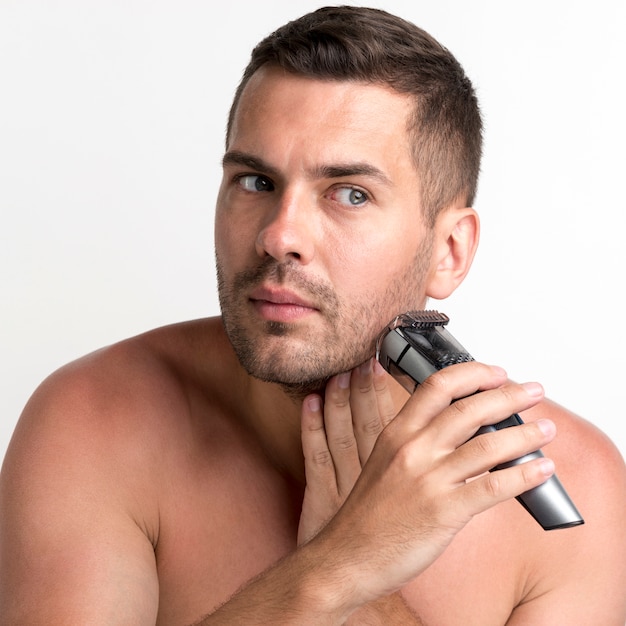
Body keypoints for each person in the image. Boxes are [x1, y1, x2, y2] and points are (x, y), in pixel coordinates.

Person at [1, 5, 625, 624]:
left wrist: (369, 588)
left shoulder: (567, 489)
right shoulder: (97, 421)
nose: (280, 236)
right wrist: (340, 567)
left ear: (449, 251)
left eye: (350, 193)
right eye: (255, 181)